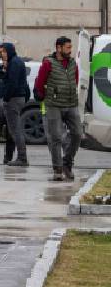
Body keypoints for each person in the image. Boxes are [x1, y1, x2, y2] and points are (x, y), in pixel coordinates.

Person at [34, 36, 81, 181]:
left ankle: (67, 162)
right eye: (68, 47)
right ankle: (58, 168)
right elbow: (40, 82)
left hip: (71, 104)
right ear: (59, 48)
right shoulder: (48, 63)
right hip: (53, 105)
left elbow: (76, 80)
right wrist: (41, 94)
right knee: (56, 138)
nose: (70, 50)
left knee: (78, 134)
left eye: (70, 47)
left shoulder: (73, 63)